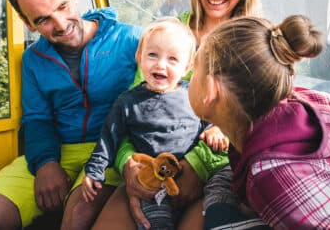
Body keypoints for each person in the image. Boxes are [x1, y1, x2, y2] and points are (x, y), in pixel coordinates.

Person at [93, 0, 266, 230]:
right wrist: (129, 166)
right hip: (150, 164)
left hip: (215, 172)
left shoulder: (252, 43)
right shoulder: (168, 32)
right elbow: (132, 108)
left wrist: (195, 167)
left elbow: (247, 125)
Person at [188, 15, 330, 229]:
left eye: (194, 68)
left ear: (211, 89)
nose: (188, 74)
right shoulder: (307, 104)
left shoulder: (271, 178)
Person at [0, 0, 143, 230]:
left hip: (112, 149)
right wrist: (45, 162)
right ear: (27, 24)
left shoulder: (131, 39)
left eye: (62, 6)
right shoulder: (33, 59)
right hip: (57, 149)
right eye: (43, 19)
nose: (61, 24)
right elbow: (36, 117)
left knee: (77, 216)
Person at [82, 17, 227, 229]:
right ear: (139, 57)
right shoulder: (128, 102)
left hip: (191, 178)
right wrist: (94, 171)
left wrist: (215, 128)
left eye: (172, 59)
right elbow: (108, 139)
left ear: (186, 66)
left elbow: (211, 120)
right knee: (156, 223)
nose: (160, 64)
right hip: (152, 182)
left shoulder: (194, 94)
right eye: (152, 55)